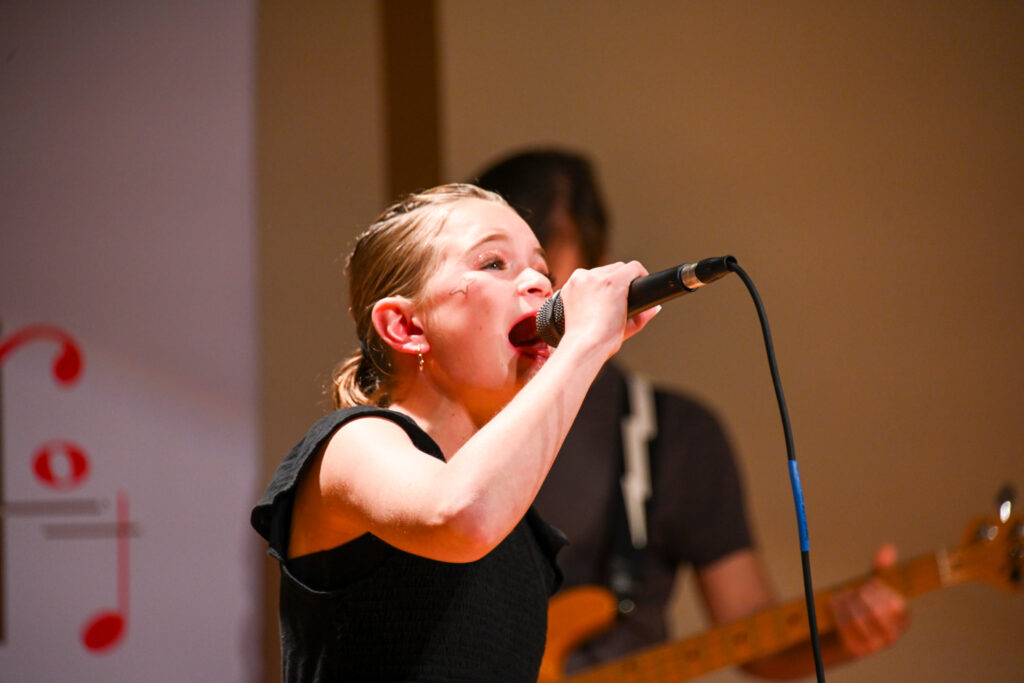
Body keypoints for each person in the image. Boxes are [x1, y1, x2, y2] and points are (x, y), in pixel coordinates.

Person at [474, 149, 909, 677]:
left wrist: (847, 636)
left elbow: (752, 636)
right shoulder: (434, 426)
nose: (532, 299)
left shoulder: (676, 435)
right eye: (496, 267)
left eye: (547, 276)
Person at [250, 183, 659, 681]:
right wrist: (585, 343)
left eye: (544, 272)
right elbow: (462, 517)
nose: (539, 282)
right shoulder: (353, 444)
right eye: (494, 263)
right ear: (405, 327)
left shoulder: (516, 515)